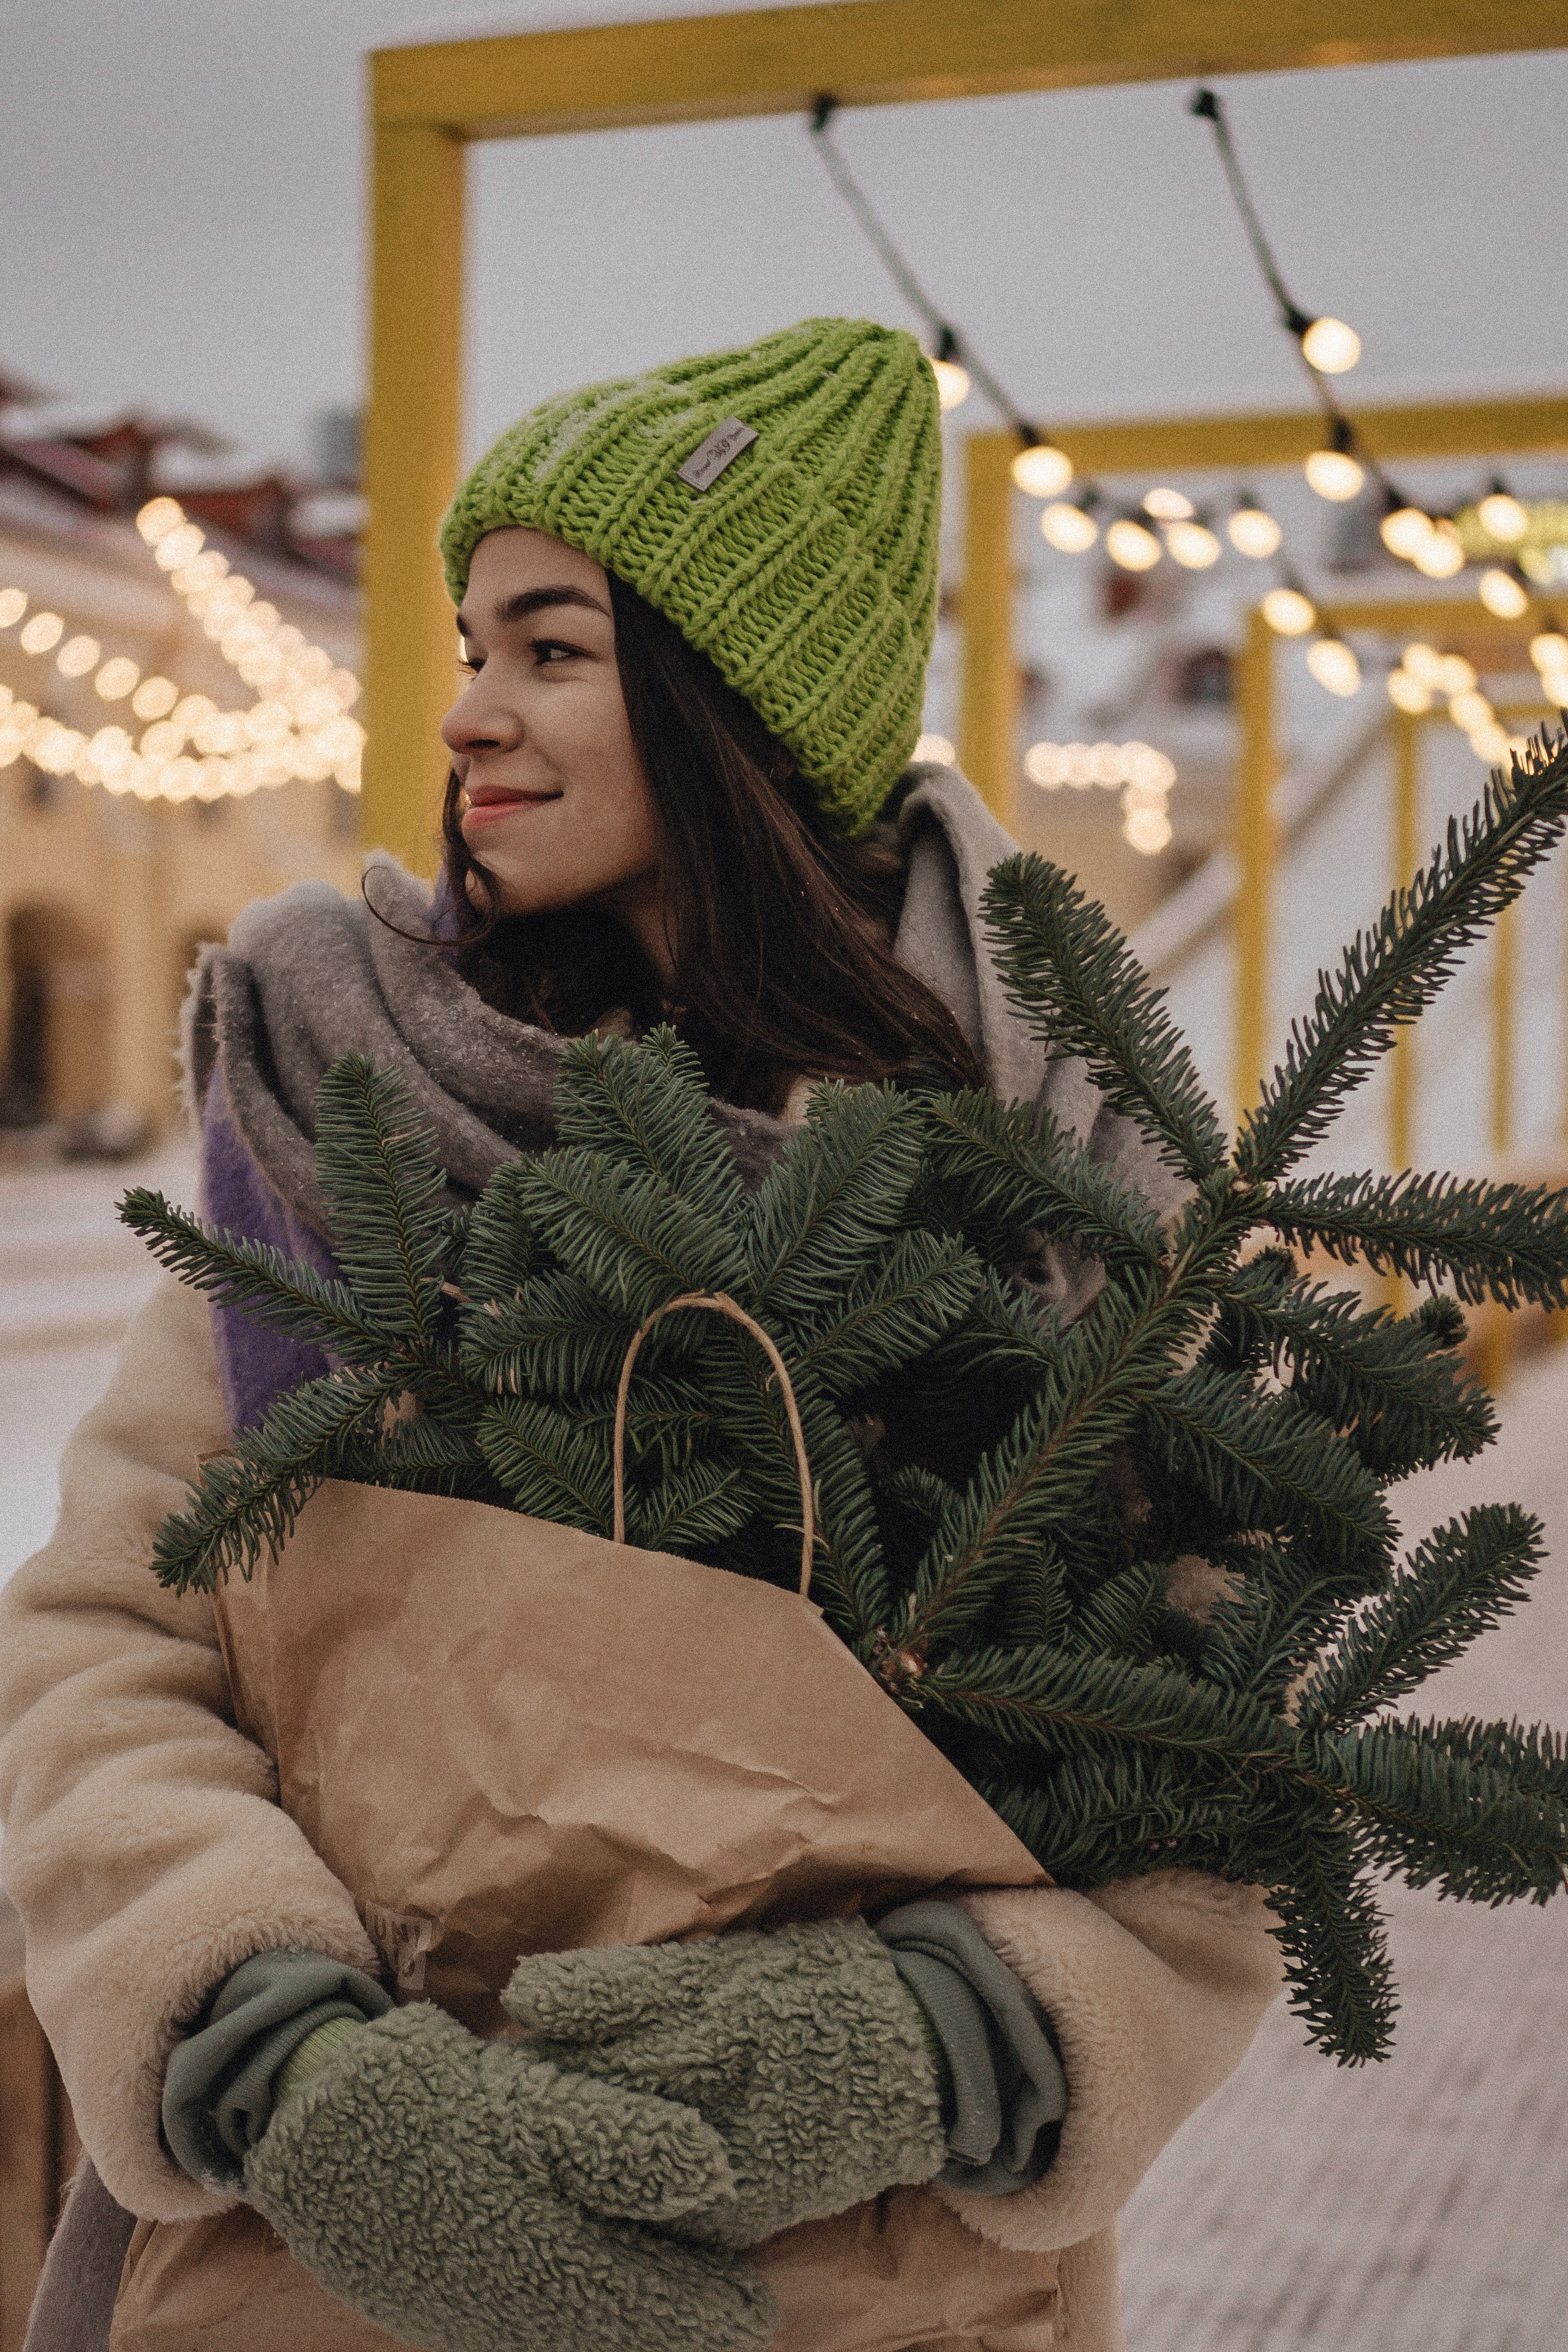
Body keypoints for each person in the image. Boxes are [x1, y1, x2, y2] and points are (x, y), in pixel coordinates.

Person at [0, 317, 1281, 2352]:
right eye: (470, 644)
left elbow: (1226, 1756)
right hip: (323, 2262)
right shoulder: (352, 1109)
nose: (468, 713)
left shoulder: (1065, 1173)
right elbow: (105, 1640)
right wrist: (279, 2057)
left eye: (552, 648)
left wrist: (941, 2038)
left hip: (865, 2278)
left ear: (733, 706)